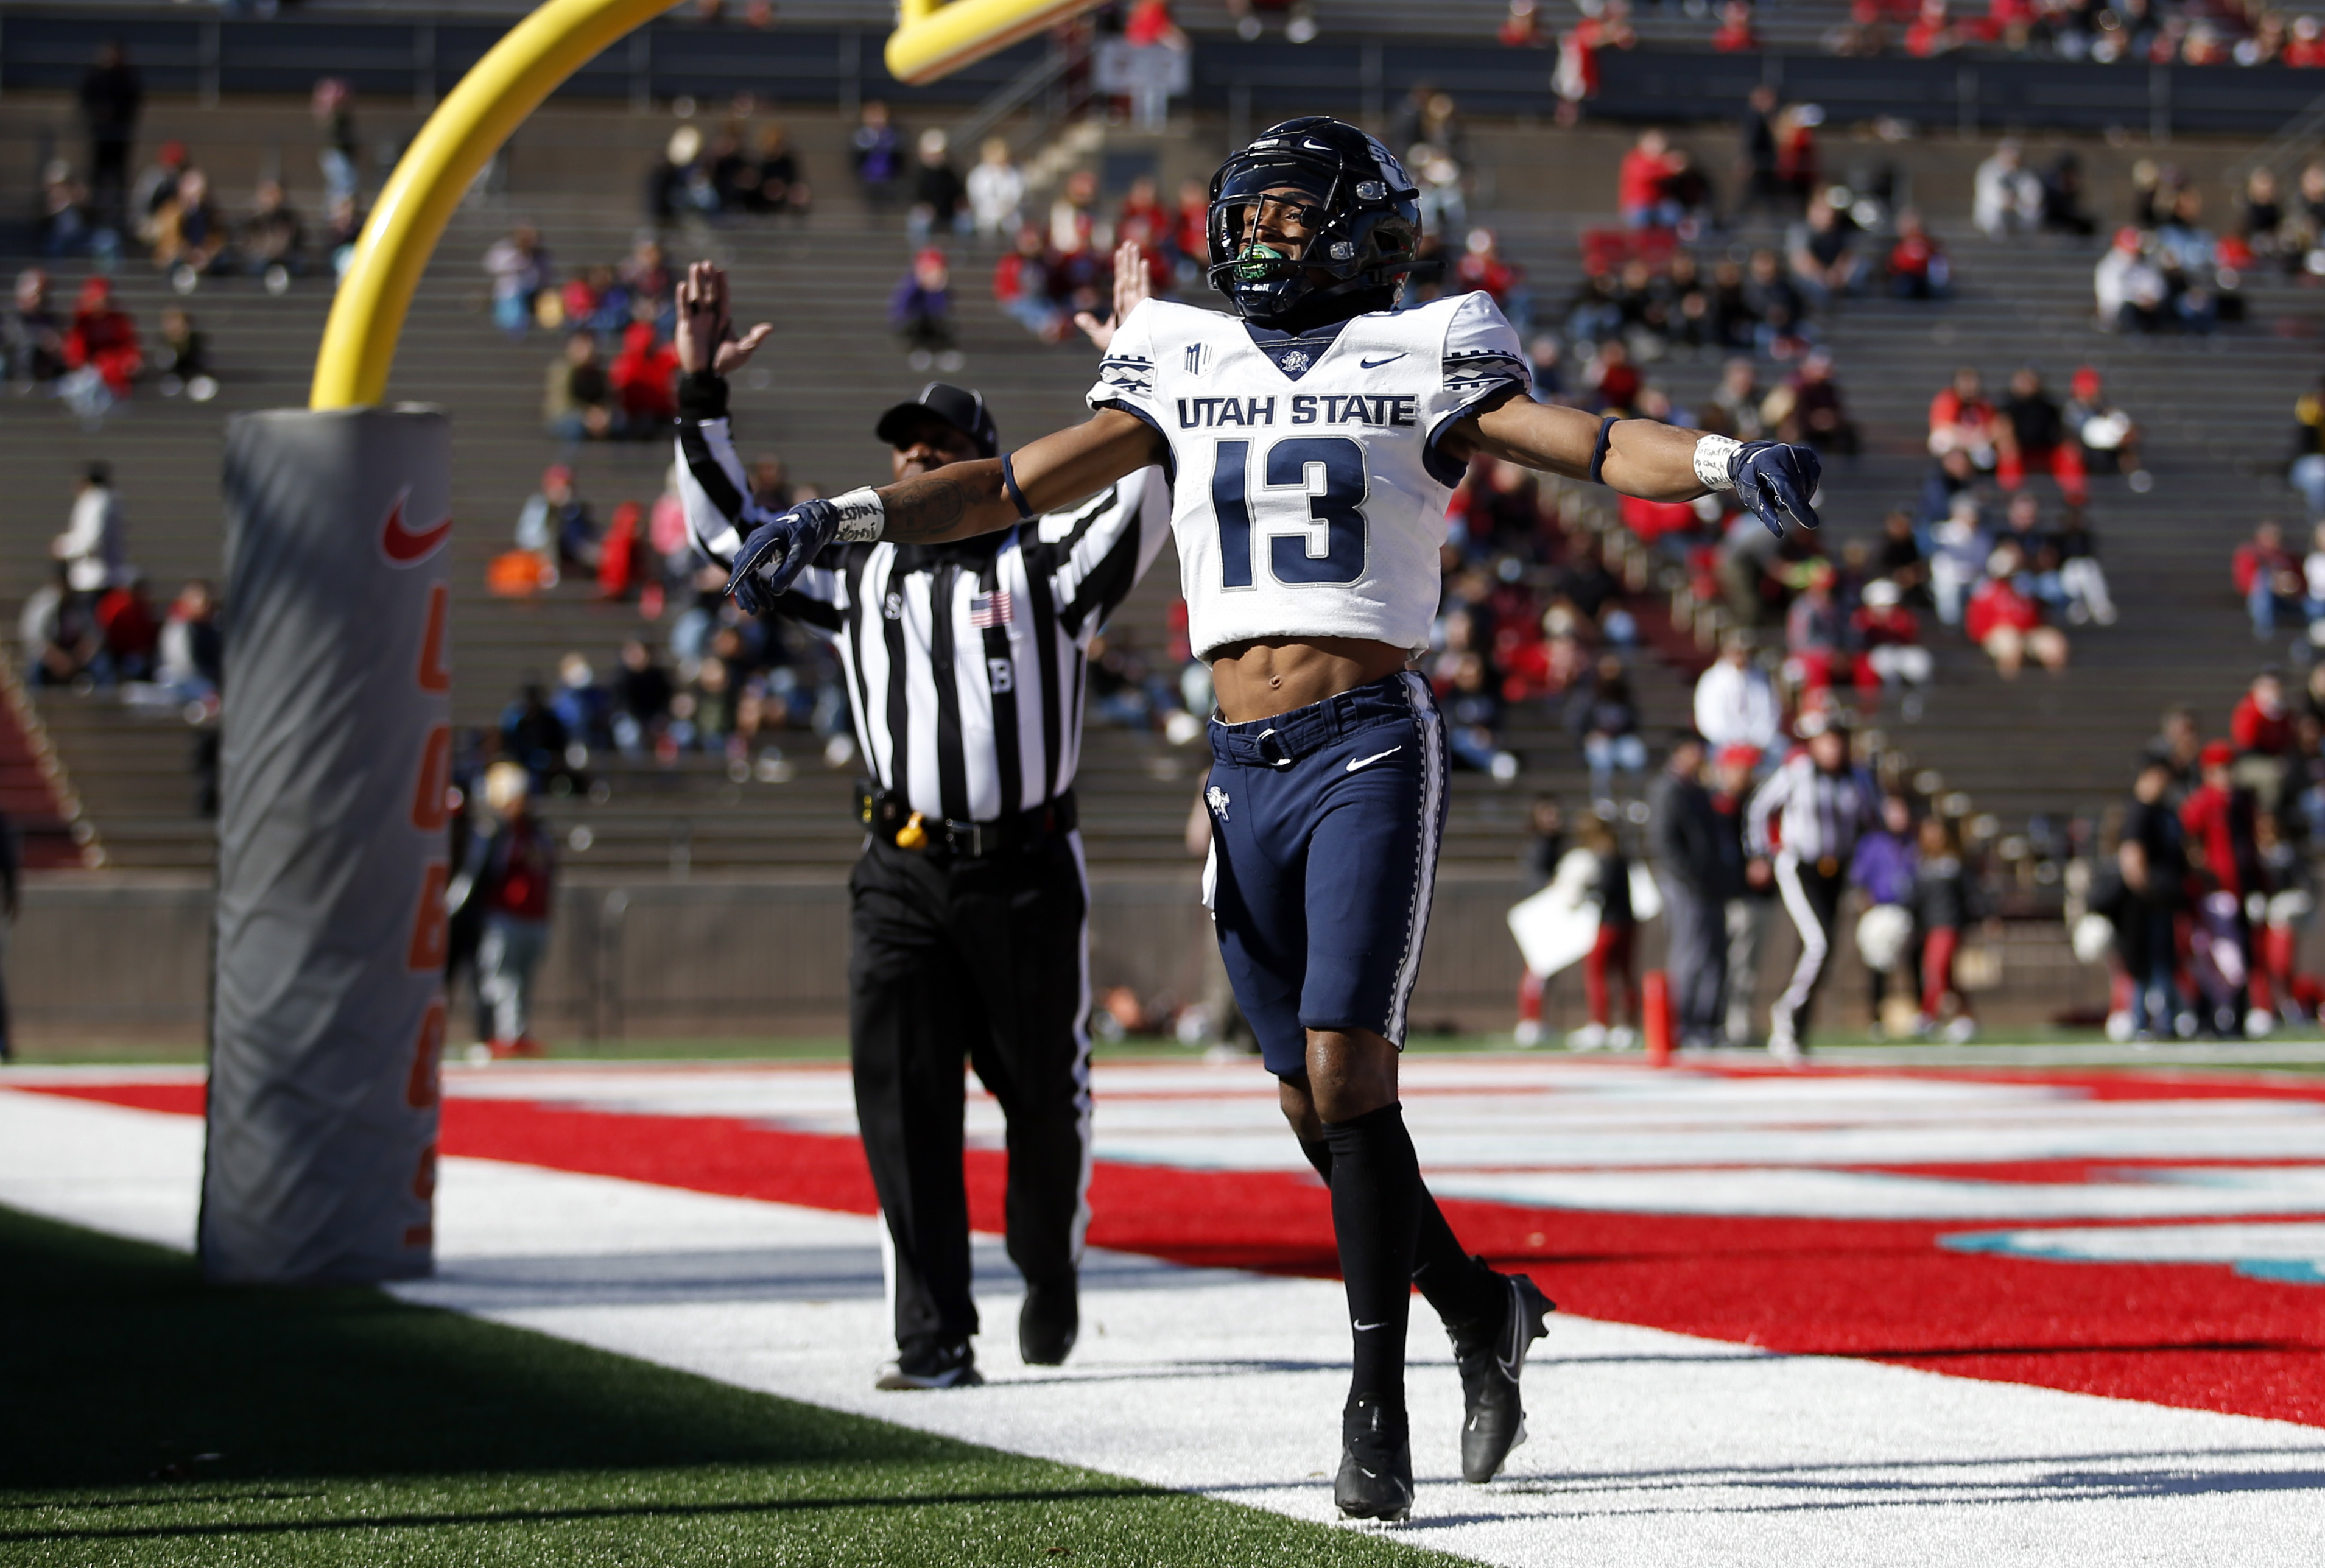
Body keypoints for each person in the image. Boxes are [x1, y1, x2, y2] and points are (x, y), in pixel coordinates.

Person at [708, 116, 1823, 1522]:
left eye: (1286, 215)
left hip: (1364, 742)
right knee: (1311, 1104)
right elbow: (1012, 484)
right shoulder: (1179, 353)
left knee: (1351, 1074)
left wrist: (1725, 461)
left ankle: (1377, 1405)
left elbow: (1587, 443)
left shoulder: (1427, 345)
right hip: (1242, 766)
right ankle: (1481, 1305)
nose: (1254, 238)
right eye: (1245, 214)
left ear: (1358, 224)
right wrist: (850, 517)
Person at [672, 261, 1172, 1399]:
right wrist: (698, 390)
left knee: (1045, 1116)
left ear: (988, 473)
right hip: (899, 873)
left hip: (1030, 878)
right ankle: (932, 1339)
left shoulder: (1046, 565)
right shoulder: (862, 574)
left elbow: (1141, 482)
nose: (910, 464)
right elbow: (727, 543)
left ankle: (1048, 1264)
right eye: (903, 449)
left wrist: (1137, 353)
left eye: (936, 451)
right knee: (902, 1106)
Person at [1745, 711, 1878, 1060]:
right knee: (1819, 943)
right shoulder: (1799, 773)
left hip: (1837, 868)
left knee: (1819, 947)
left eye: (1838, 740)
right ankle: (1787, 1014)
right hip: (1799, 865)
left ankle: (1797, 1029)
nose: (1833, 748)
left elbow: (1871, 819)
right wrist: (1761, 854)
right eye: (1827, 741)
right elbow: (1760, 808)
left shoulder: (1859, 778)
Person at [448, 762, 556, 1056]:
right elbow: (480, 874)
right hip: (505, 915)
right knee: (501, 979)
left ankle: (516, 1033)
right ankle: (507, 1034)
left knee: (518, 979)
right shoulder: (500, 834)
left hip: (530, 916)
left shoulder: (535, 833)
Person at [1648, 730, 1735, 1051]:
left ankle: (1709, 1023)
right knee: (1691, 953)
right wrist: (1689, 876)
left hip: (1709, 883)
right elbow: (1665, 843)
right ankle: (1685, 1023)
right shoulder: (1668, 790)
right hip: (1685, 885)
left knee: (1714, 954)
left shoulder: (1699, 790)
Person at [2120, 758, 2189, 1039]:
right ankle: (2145, 1020)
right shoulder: (2141, 812)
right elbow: (2132, 858)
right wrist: (2148, 891)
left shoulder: (2165, 811)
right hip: (2147, 901)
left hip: (2165, 899)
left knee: (2163, 961)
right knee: (2149, 963)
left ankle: (2162, 1019)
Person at [1561, 813, 1639, 1050]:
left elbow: (1603, 891)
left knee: (1597, 973)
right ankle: (1627, 1025)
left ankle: (1600, 1024)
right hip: (1627, 922)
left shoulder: (1605, 857)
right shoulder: (1621, 856)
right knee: (1624, 975)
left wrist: (1583, 891)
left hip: (1610, 924)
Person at [1850, 793, 1918, 1036]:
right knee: (1878, 964)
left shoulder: (1913, 842)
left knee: (1915, 966)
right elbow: (1860, 880)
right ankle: (1876, 1018)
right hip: (1882, 910)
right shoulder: (1872, 843)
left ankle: (1922, 1015)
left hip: (1910, 911)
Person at [1908, 813, 1978, 1041]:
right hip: (1929, 927)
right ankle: (1965, 1018)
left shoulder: (1954, 866)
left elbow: (1971, 897)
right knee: (1946, 975)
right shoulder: (1922, 866)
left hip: (1949, 925)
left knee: (1935, 970)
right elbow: (1917, 901)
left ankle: (1927, 1016)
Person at [79, 41, 141, 234]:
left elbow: (135, 99)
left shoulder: (128, 76)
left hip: (120, 136)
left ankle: (120, 216)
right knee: (97, 177)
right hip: (100, 136)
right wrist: (98, 115)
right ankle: (94, 215)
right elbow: (85, 98)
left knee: (119, 178)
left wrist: (118, 116)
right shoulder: (96, 75)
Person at [1694, 631, 1782, 759]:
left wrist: (1756, 742)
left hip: (1758, 746)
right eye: (1736, 652)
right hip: (1721, 745)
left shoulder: (1760, 677)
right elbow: (1709, 720)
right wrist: (1734, 744)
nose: (1741, 657)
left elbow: (1770, 713)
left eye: (1744, 652)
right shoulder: (1712, 680)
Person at [55, 464, 127, 594]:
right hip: (104, 575)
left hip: (93, 577)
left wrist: (64, 548)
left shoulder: (96, 502)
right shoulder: (110, 501)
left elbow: (92, 541)